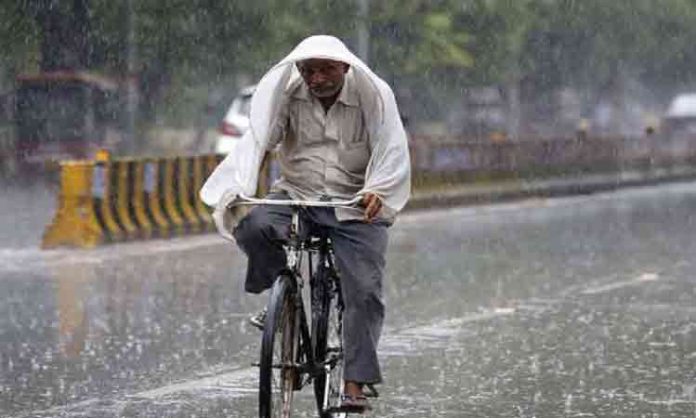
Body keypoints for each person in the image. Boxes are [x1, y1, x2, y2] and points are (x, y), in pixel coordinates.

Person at [199, 35, 411, 411]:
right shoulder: (289, 95)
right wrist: (242, 185)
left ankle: (354, 385)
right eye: (309, 70)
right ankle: (286, 305)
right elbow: (261, 140)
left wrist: (378, 188)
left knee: (362, 291)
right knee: (252, 227)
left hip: (356, 203)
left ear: (345, 67)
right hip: (299, 195)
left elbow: (391, 147)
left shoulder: (371, 95)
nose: (317, 78)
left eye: (326, 69)